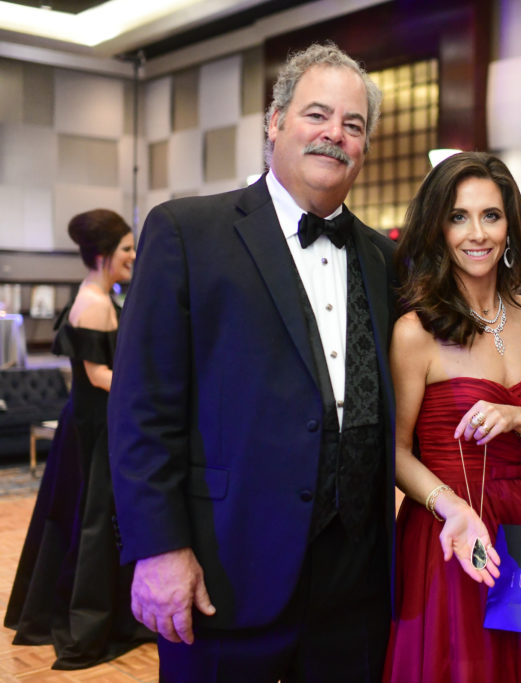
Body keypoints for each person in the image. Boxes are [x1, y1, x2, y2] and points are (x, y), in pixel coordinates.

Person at [107, 42, 398, 681]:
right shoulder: (187, 233)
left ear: (366, 146)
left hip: (354, 588)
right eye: (317, 114)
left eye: (353, 124)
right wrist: (158, 549)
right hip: (223, 570)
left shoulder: (384, 258)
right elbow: (141, 410)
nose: (334, 134)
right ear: (275, 122)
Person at [384, 152, 521, 682]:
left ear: (510, 226)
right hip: (450, 528)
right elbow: (395, 451)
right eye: (458, 217)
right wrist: (450, 504)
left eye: (491, 215)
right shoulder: (415, 331)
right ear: (438, 228)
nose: (477, 233)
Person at [4, 209, 150, 669]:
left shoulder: (95, 295)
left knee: (81, 517)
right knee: (94, 520)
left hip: (89, 421)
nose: (133, 255)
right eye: (126, 248)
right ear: (103, 255)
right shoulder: (96, 303)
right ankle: (90, 622)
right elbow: (98, 374)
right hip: (96, 425)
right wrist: (147, 387)